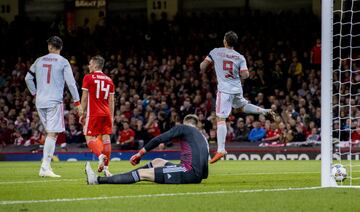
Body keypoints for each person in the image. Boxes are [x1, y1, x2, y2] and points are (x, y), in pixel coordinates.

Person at [200, 31, 276, 163]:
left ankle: (221, 149)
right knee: (241, 107)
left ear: (225, 41)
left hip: (224, 91)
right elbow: (246, 75)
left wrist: (211, 65)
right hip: (236, 88)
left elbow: (202, 67)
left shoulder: (216, 52)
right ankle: (264, 111)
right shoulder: (240, 57)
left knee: (220, 118)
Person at [85, 114, 209, 185]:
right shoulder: (202, 138)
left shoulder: (184, 128)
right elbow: (205, 174)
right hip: (193, 173)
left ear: (185, 122)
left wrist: (140, 154)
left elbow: (159, 139)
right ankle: (120, 176)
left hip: (187, 171)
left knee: (142, 174)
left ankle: (97, 180)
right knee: (157, 161)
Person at [25, 36, 82, 177]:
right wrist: (77, 102)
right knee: (53, 133)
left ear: (50, 46)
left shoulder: (39, 60)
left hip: (40, 101)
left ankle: (46, 166)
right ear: (60, 47)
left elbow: (27, 78)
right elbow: (71, 83)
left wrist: (34, 93)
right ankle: (45, 167)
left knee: (51, 133)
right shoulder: (63, 62)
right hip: (53, 101)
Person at [80, 55, 115, 177]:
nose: (88, 66)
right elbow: (111, 101)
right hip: (106, 113)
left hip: (94, 113)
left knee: (88, 137)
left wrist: (82, 112)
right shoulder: (109, 80)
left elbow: (84, 98)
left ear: (95, 65)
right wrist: (112, 117)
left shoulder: (88, 78)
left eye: (90, 63)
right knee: (106, 139)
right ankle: (106, 169)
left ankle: (100, 156)